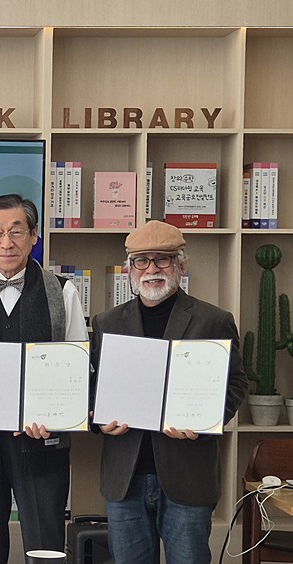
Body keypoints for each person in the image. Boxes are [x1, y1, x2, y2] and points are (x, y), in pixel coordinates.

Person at [90, 220, 247, 564]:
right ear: (129, 269)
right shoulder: (106, 323)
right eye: (142, 261)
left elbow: (236, 382)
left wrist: (205, 421)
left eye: (163, 259)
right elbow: (94, 386)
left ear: (181, 265)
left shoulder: (214, 320)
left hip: (188, 473)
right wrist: (98, 421)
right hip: (125, 477)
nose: (152, 269)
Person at [0, 193, 88, 563]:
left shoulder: (63, 291)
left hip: (43, 442)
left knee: (45, 547)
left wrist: (57, 416)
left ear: (33, 235)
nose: (6, 242)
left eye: (16, 231)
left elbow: (77, 366)